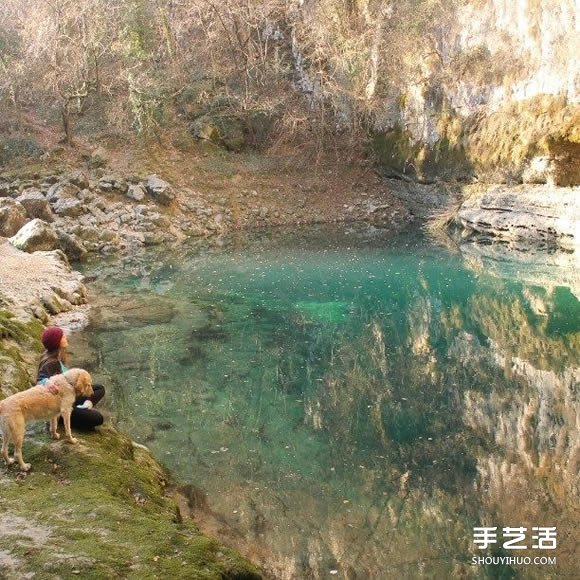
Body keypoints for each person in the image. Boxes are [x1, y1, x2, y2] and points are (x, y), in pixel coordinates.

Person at [37, 326, 105, 429]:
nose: (65, 337)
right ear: (56, 342)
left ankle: (86, 406)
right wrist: (47, 383)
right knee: (98, 418)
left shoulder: (59, 357)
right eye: (62, 336)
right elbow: (40, 379)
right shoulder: (51, 362)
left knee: (99, 388)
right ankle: (68, 417)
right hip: (61, 406)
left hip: (69, 396)